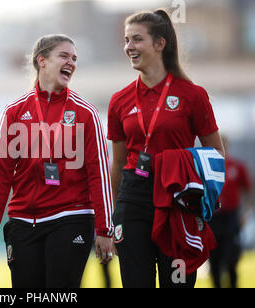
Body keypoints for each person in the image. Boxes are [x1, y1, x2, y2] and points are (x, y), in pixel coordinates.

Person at [0, 34, 115, 288]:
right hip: (23, 223)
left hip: (70, 218)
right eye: (64, 56)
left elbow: (99, 175)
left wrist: (105, 228)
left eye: (74, 58)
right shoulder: (14, 112)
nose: (71, 63)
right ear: (42, 60)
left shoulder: (87, 113)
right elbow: (0, 173)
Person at [107, 9, 225, 288]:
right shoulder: (119, 100)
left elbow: (217, 156)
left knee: (177, 283)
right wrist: (112, 215)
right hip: (133, 199)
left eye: (137, 39)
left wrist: (194, 185)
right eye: (126, 40)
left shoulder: (192, 95)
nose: (129, 47)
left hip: (177, 198)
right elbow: (118, 164)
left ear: (160, 43)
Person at [209, 136, 252, 288]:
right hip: (213, 217)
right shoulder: (207, 167)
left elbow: (249, 192)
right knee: (214, 259)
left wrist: (245, 213)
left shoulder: (236, 166)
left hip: (231, 217)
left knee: (231, 258)